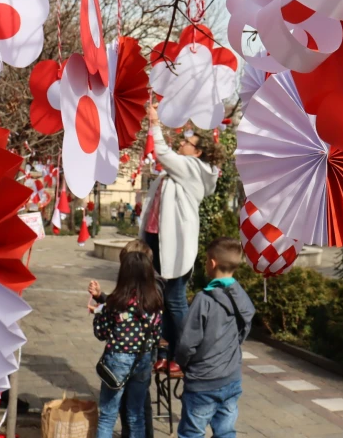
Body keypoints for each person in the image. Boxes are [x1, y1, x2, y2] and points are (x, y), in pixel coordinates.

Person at [139, 103, 223, 374]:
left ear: (197, 152)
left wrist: (155, 122)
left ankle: (185, 355)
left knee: (174, 299)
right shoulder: (177, 170)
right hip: (156, 240)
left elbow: (161, 151)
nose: (182, 143)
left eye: (188, 142)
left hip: (174, 245)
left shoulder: (192, 167)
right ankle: (164, 351)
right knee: (159, 299)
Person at [175, 238, 255, 438]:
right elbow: (244, 329)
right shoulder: (243, 297)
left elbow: (186, 343)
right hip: (231, 378)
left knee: (192, 432)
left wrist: (184, 364)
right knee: (226, 431)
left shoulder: (204, 300)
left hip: (203, 382)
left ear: (212, 263)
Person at [89, 240, 163, 438]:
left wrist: (99, 313)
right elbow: (157, 332)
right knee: (135, 414)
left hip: (117, 360)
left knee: (107, 415)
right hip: (143, 359)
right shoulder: (154, 301)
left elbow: (101, 333)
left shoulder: (116, 301)